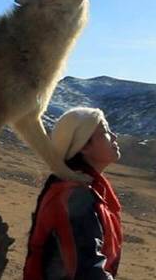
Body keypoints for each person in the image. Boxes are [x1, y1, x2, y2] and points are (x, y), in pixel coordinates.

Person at [23, 107, 122, 280]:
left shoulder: (87, 189)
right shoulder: (73, 196)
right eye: (105, 131)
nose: (114, 136)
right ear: (83, 146)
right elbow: (87, 270)